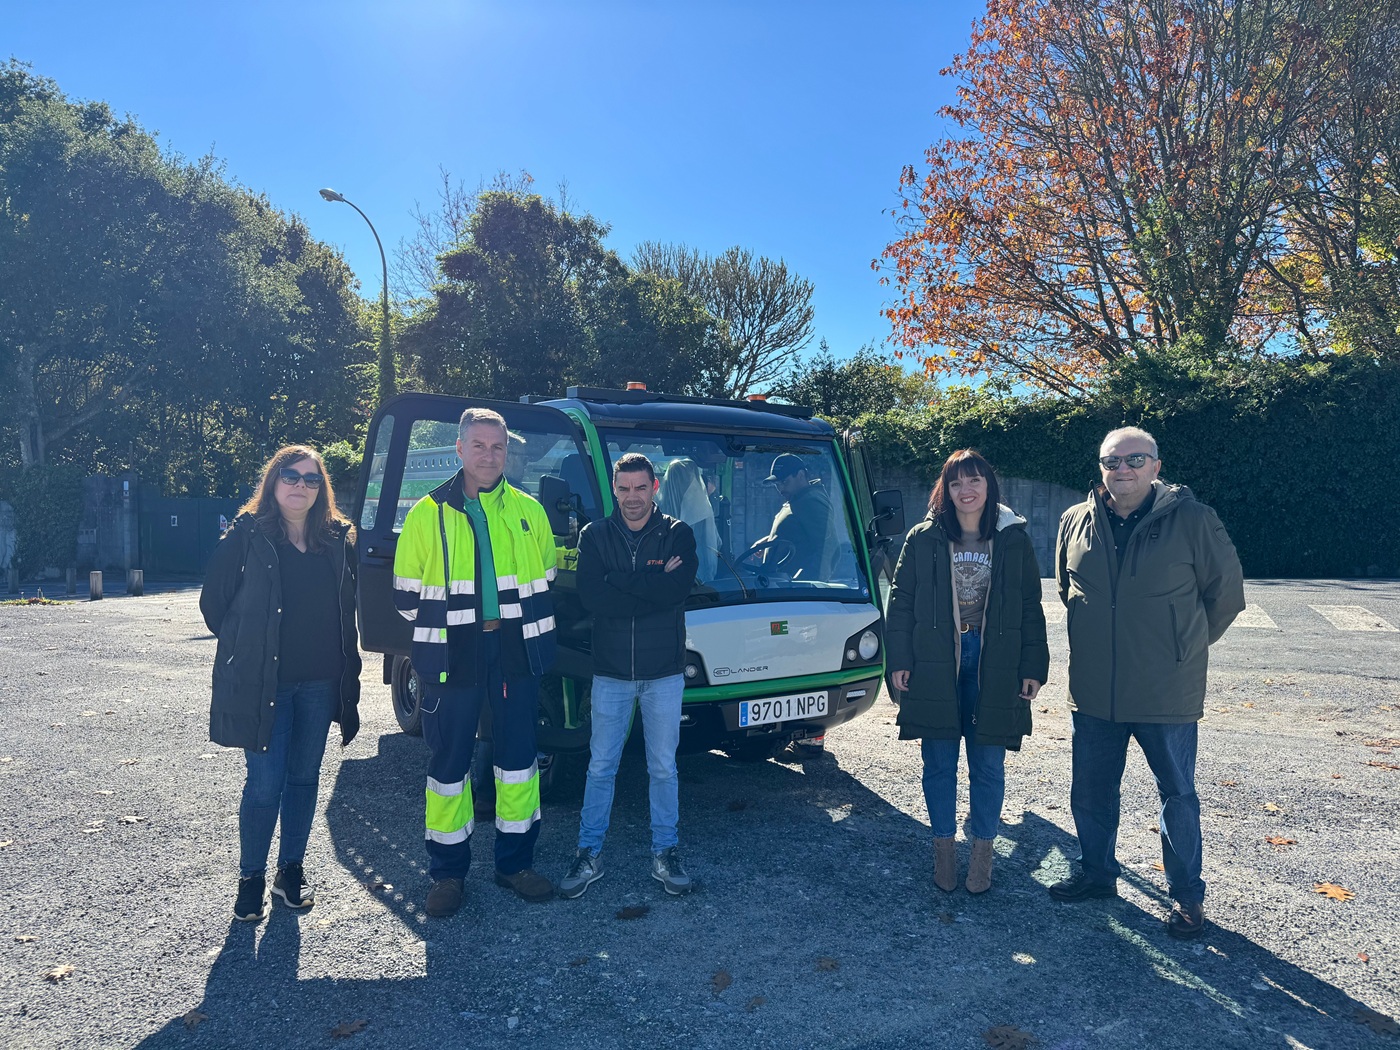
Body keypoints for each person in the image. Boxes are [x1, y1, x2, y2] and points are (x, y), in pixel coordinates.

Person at [1051, 426, 1244, 939]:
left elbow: (1225, 597)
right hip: (1093, 692)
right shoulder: (1074, 522)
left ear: (1156, 466)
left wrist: (1181, 649)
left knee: (1177, 794)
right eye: (1112, 461)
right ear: (1100, 469)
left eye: (1135, 459)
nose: (1123, 469)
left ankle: (1186, 899)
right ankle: (1096, 874)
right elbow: (1069, 593)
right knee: (1090, 792)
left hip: (1166, 691)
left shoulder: (1193, 520)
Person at [392, 407, 559, 915]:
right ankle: (447, 875)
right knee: (449, 765)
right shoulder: (427, 513)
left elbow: (545, 575)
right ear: (459, 449)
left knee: (518, 762)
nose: (489, 455)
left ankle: (515, 865)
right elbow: (404, 595)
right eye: (480, 445)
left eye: (498, 447)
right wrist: (457, 620)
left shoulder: (530, 511)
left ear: (508, 453)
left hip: (515, 648)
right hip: (452, 652)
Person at [200, 445, 361, 922]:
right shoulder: (247, 535)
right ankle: (250, 877)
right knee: (265, 784)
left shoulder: (337, 538)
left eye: (311, 479)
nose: (300, 486)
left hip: (320, 682)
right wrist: (246, 647)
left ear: (322, 488)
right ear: (272, 482)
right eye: (290, 476)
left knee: (304, 779)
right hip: (265, 684)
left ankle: (290, 871)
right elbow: (214, 607)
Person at [886, 449, 1049, 894]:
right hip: (936, 657)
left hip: (994, 659)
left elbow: (1030, 607)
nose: (967, 490)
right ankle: (943, 851)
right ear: (946, 489)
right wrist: (898, 661)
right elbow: (900, 603)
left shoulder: (1012, 538)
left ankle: (982, 856)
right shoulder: (923, 538)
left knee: (988, 762)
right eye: (957, 482)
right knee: (939, 761)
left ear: (989, 486)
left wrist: (1033, 665)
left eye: (975, 480)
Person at [559, 453, 699, 898]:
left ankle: (665, 853)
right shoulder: (595, 535)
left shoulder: (678, 534)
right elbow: (593, 597)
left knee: (663, 767)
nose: (632, 498)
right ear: (614, 489)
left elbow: (677, 590)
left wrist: (622, 583)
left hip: (664, 673)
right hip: (612, 673)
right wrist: (651, 587)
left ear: (654, 488)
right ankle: (588, 853)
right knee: (601, 766)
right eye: (624, 488)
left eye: (641, 488)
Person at [756, 453, 831, 579]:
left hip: (795, 591)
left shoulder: (811, 501)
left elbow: (827, 548)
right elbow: (799, 533)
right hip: (782, 585)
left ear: (801, 475)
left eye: (785, 482)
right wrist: (770, 540)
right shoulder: (798, 499)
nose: (780, 489)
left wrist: (803, 585)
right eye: (777, 484)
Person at [658, 457, 717, 583]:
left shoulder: (656, 508)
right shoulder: (701, 508)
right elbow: (714, 543)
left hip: (667, 572)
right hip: (698, 573)